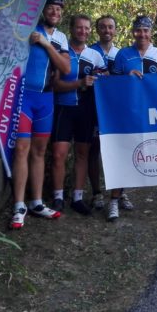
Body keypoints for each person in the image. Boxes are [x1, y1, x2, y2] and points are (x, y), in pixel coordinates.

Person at [9, 0, 72, 228]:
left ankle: (36, 202)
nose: (55, 12)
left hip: (46, 100)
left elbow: (65, 67)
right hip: (24, 98)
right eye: (51, 8)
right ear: (42, 9)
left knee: (39, 151)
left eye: (59, 9)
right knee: (22, 149)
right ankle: (18, 205)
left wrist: (46, 43)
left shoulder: (61, 38)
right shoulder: (27, 28)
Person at [110, 15, 157, 220]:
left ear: (151, 33)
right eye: (138, 30)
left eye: (146, 30)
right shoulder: (123, 54)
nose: (142, 34)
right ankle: (114, 201)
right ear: (133, 32)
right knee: (123, 155)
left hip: (155, 112)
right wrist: (126, 78)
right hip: (129, 112)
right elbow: (111, 85)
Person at [49, 14, 106, 216]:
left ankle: (78, 198)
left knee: (83, 154)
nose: (83, 31)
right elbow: (54, 85)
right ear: (72, 29)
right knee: (59, 154)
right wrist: (79, 84)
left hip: (86, 111)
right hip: (63, 108)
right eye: (79, 28)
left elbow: (105, 83)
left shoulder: (95, 56)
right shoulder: (61, 53)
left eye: (86, 28)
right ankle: (57, 198)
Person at [89, 15, 124, 212]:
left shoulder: (122, 54)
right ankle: (96, 193)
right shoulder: (89, 51)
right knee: (95, 150)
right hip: (94, 108)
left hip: (116, 110)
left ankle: (120, 193)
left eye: (110, 27)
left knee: (119, 151)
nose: (107, 30)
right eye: (103, 27)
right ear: (97, 30)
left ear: (116, 30)